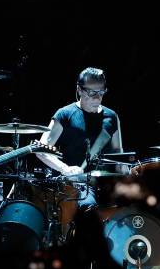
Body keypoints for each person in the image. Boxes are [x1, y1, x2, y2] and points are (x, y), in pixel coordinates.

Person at [36, 67, 123, 210]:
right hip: (76, 185)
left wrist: (128, 181)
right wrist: (65, 169)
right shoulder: (64, 114)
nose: (97, 98)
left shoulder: (112, 116)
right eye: (92, 92)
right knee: (89, 207)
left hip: (106, 184)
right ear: (80, 90)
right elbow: (40, 150)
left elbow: (119, 155)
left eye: (101, 92)